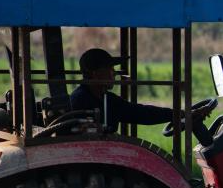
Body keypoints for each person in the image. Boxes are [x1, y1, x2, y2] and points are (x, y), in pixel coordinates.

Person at [70, 48, 214, 134]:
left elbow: (143, 113)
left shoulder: (107, 99)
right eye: (110, 69)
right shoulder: (81, 101)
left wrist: (185, 114)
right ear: (95, 73)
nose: (114, 74)